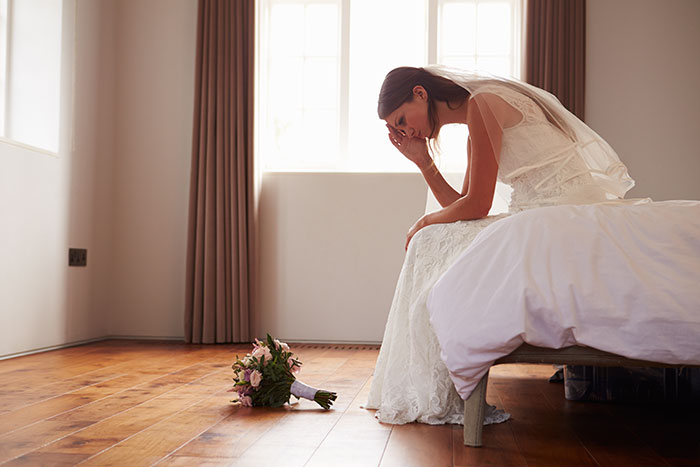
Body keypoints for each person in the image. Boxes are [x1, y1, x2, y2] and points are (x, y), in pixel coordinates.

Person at [365, 65, 634, 425]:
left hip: (559, 213)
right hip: (537, 214)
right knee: (431, 240)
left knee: (428, 239)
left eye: (402, 119)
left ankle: (441, 383)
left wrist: (423, 221)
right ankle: (433, 381)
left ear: (420, 93)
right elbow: (467, 206)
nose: (406, 130)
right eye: (398, 130)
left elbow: (475, 205)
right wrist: (422, 161)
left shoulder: (484, 103)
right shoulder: (476, 115)